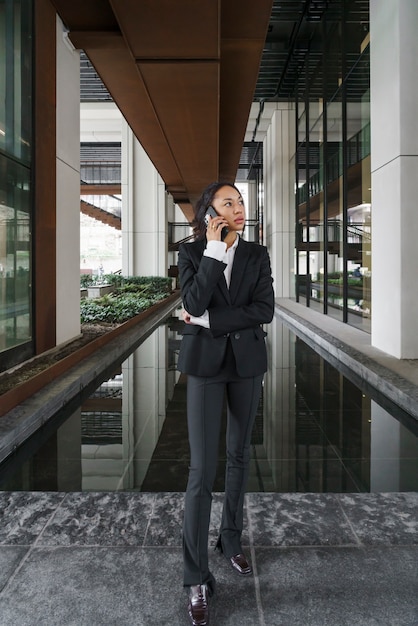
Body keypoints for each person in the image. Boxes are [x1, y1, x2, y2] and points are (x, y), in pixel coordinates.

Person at [177, 181, 275, 626]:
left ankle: (230, 541)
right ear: (208, 213)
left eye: (240, 201)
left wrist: (210, 319)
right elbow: (192, 299)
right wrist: (214, 252)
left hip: (247, 364)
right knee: (201, 470)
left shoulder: (258, 254)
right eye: (228, 203)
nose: (239, 208)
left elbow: (265, 309)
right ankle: (196, 577)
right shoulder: (193, 254)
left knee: (238, 455)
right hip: (204, 366)